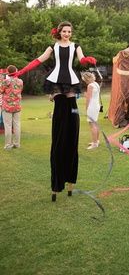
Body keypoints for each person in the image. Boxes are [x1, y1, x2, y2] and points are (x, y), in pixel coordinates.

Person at [12, 21, 96, 201]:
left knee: (72, 130)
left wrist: (87, 60)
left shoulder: (76, 46)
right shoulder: (53, 47)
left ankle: (70, 180)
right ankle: (57, 183)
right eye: (64, 31)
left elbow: (81, 59)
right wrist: (21, 72)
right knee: (59, 133)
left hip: (71, 83)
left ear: (71, 33)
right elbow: (38, 60)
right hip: (57, 83)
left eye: (69, 31)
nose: (67, 34)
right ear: (59, 32)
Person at [0, 65, 23, 150]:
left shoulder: (5, 82)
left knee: (8, 126)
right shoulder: (20, 81)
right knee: (17, 125)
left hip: (7, 107)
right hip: (17, 106)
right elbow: (20, 91)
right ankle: (17, 144)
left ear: (8, 72)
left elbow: (1, 91)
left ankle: (8, 145)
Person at [81, 72, 101, 150]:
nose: (84, 81)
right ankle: (96, 141)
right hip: (96, 105)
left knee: (92, 125)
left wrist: (86, 108)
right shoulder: (96, 84)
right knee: (95, 123)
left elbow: (88, 98)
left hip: (92, 106)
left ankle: (95, 143)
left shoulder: (90, 85)